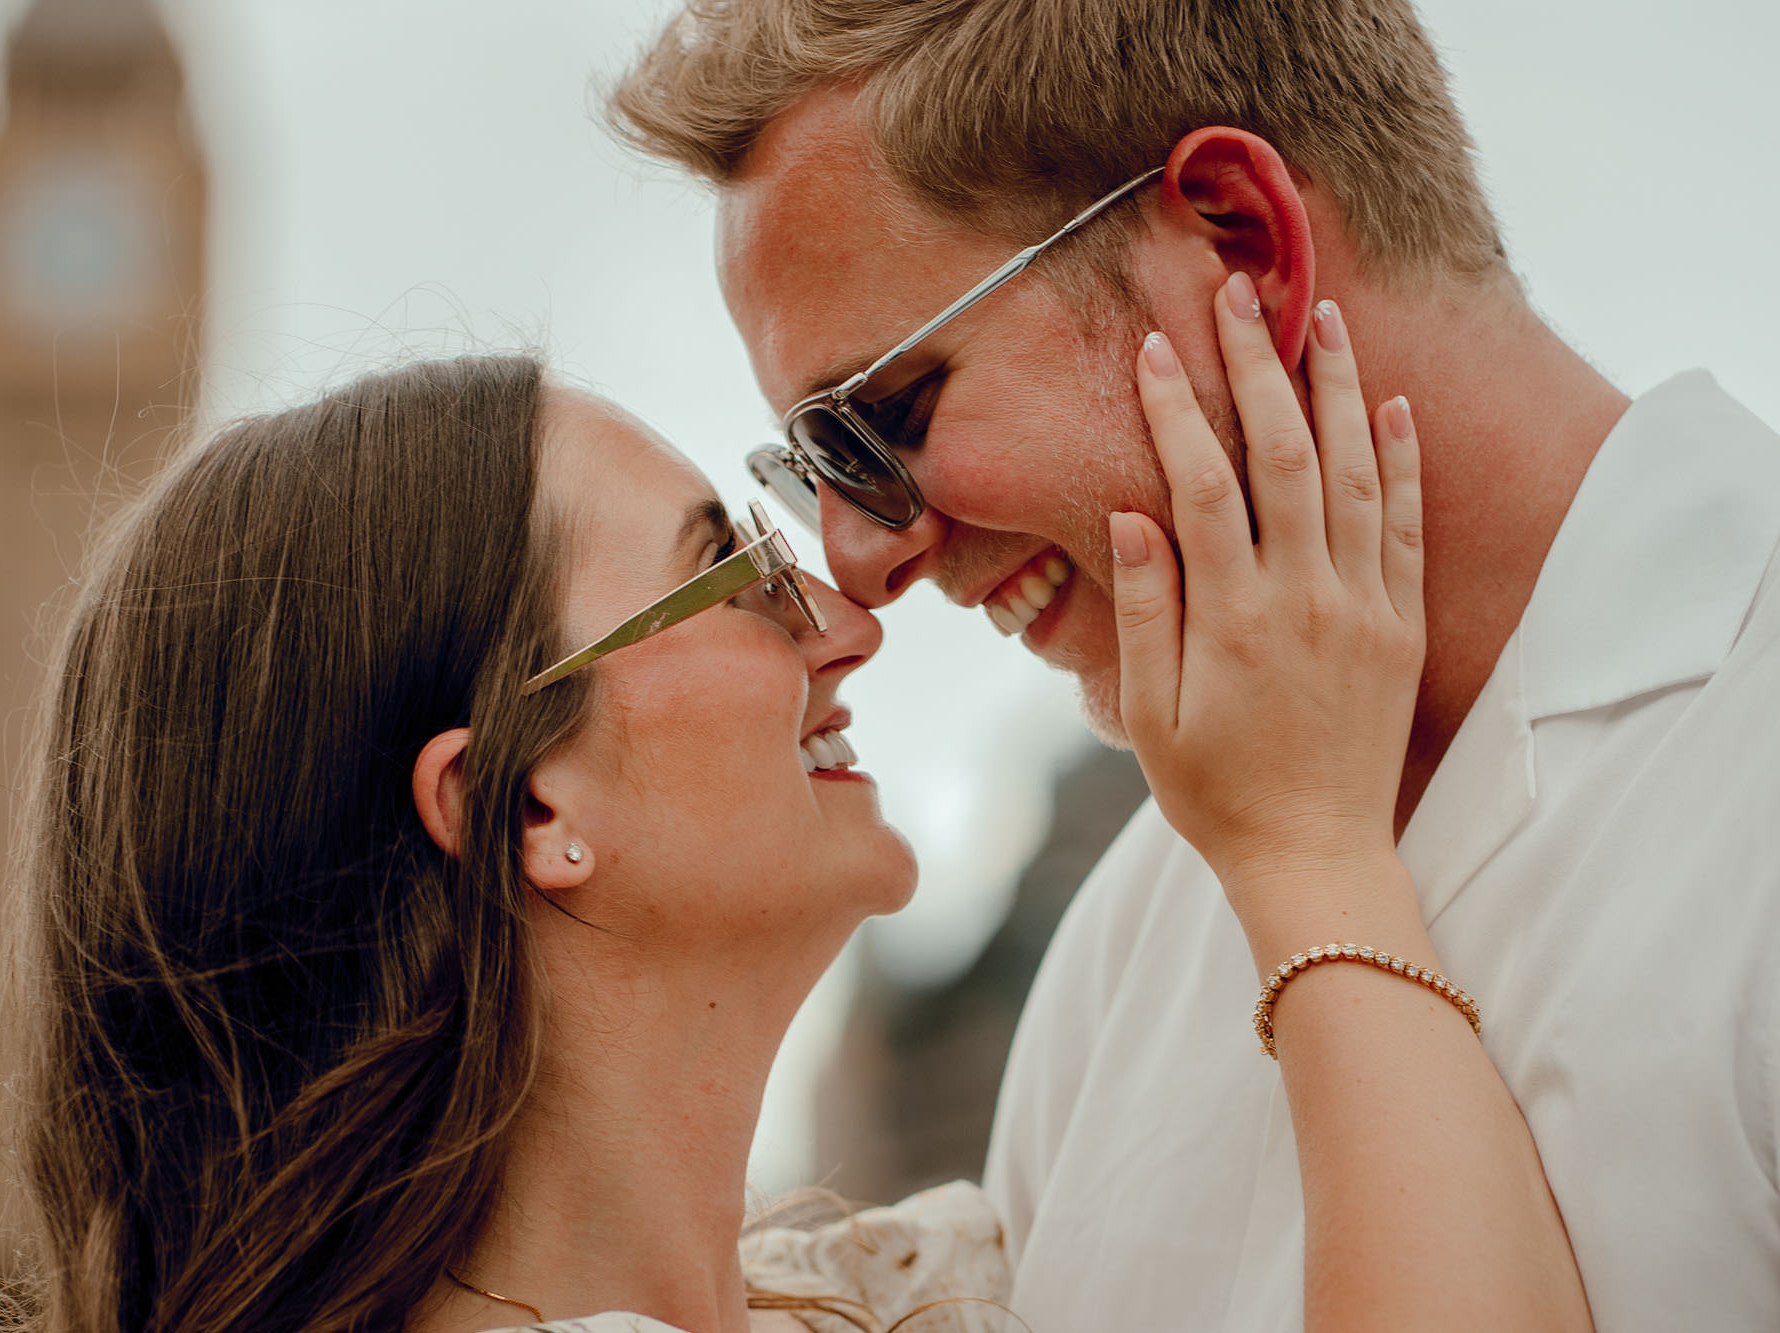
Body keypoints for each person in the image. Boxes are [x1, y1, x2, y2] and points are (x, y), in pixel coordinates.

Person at [0, 300, 1587, 1333]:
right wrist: (1312, 850)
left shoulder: (888, 1296)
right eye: (728, 568)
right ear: (524, 801)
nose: (845, 615)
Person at [608, 1, 1780, 1329]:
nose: (864, 559)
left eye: (884, 417)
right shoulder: (1122, 954)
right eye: (816, 465)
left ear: (1243, 243)